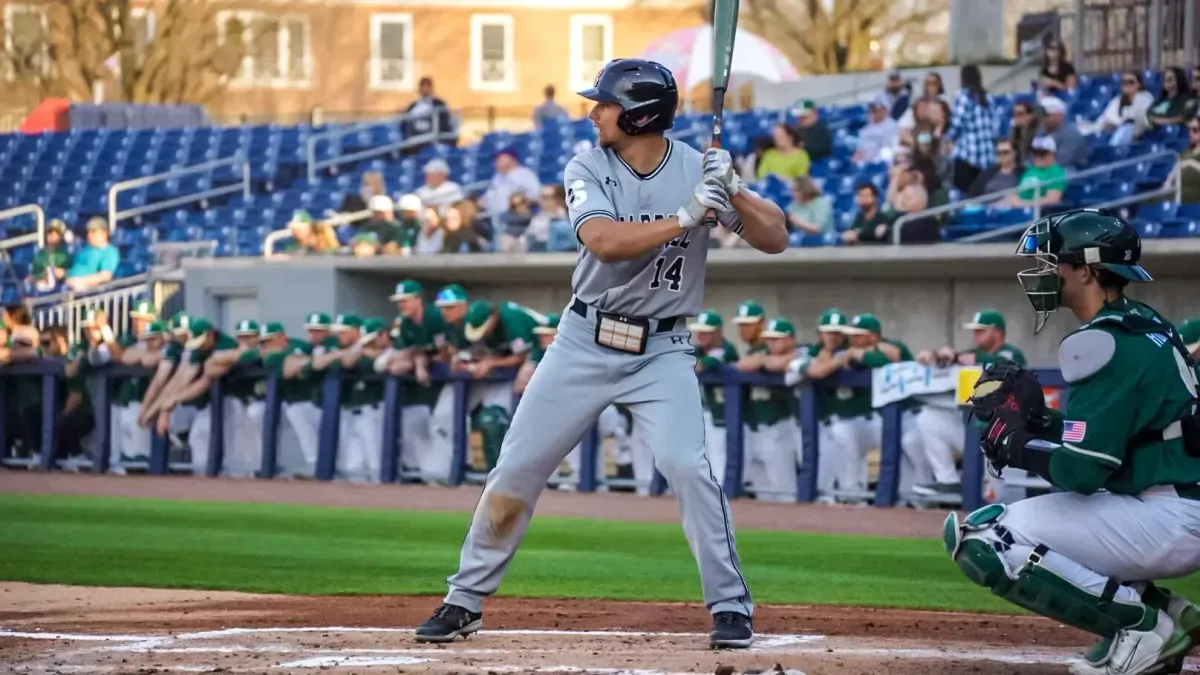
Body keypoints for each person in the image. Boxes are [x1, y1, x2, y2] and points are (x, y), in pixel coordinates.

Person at [414, 57, 787, 649]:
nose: (593, 113)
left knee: (688, 466)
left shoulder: (696, 167)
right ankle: (465, 599)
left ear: (640, 114)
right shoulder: (587, 164)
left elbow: (776, 238)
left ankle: (730, 607)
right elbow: (604, 242)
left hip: (663, 347)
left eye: (605, 104)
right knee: (517, 465)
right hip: (583, 341)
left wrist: (736, 192)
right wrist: (688, 215)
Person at [946, 209, 1200, 675]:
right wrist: (1041, 423)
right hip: (1177, 499)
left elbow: (1082, 473)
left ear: (1085, 270)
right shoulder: (1145, 322)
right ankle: (1172, 618)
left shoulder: (1099, 341)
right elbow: (1113, 437)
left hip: (1172, 513)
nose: (1046, 273)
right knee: (1032, 527)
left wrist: (1017, 444)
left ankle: (1142, 628)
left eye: (1054, 262)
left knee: (986, 536)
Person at [912, 309, 1027, 498]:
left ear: (997, 332)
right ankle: (947, 480)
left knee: (1002, 501)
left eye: (981, 330)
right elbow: (950, 361)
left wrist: (960, 358)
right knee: (929, 418)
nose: (976, 334)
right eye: (975, 330)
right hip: (975, 433)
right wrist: (934, 356)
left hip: (1005, 438)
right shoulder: (971, 354)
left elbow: (1004, 363)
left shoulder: (1011, 352)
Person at [735, 316, 803, 503]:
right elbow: (742, 365)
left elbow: (779, 364)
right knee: (763, 494)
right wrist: (764, 359)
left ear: (790, 339)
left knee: (785, 490)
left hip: (782, 427)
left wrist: (765, 361)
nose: (771, 343)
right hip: (757, 431)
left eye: (776, 339)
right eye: (769, 339)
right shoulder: (762, 352)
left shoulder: (800, 354)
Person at [688, 309, 739, 488]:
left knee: (720, 467)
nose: (700, 335)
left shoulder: (726, 350)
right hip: (704, 416)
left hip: (724, 418)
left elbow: (700, 366)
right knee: (704, 465)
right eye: (698, 330)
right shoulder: (696, 349)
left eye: (706, 331)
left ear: (717, 331)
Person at [947, 64, 999, 193]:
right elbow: (996, 127)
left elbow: (957, 124)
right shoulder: (988, 98)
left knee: (965, 197)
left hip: (968, 155)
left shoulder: (962, 96)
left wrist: (948, 138)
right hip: (988, 156)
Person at [1003, 136, 1067, 207]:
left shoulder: (1057, 172)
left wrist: (1021, 204)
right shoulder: (1030, 171)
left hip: (1037, 212)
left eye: (1042, 154)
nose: (1037, 157)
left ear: (1051, 154)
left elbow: (1052, 200)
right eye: (1035, 153)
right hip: (1017, 208)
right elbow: (1018, 192)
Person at [1093, 71, 1155, 144]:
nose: (1127, 85)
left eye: (1131, 82)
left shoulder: (1146, 97)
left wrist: (1118, 126)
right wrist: (1107, 125)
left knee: (1128, 127)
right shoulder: (1117, 100)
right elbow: (1104, 119)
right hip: (1116, 134)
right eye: (1124, 82)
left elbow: (1141, 120)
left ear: (1139, 84)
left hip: (1138, 137)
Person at [66, 218, 120, 291]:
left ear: (104, 233)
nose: (89, 235)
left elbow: (105, 276)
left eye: (93, 231)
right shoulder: (85, 249)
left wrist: (81, 281)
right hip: (66, 286)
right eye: (88, 232)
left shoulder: (109, 252)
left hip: (87, 291)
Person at [1037, 97, 1089, 170]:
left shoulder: (1071, 133)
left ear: (1059, 115)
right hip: (1042, 168)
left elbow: (1062, 161)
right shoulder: (1040, 129)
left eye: (1045, 115)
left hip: (1073, 172)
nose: (1041, 118)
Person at [28, 219, 72, 294]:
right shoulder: (40, 254)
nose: (52, 235)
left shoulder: (65, 254)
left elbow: (73, 271)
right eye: (50, 232)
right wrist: (41, 277)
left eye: (56, 233)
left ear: (61, 236)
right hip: (41, 288)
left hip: (60, 288)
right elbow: (33, 274)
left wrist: (63, 273)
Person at [853, 94, 900, 165]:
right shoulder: (866, 128)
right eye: (871, 108)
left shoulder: (892, 126)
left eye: (875, 109)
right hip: (865, 165)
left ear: (885, 110)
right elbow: (859, 150)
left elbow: (888, 150)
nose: (872, 111)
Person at [1167, 118, 1200, 203]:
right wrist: (1167, 184)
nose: (1190, 133)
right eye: (1189, 130)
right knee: (1150, 199)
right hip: (1180, 188)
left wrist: (1190, 163)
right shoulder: (1185, 152)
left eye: (1195, 130)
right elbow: (1174, 171)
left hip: (1196, 190)